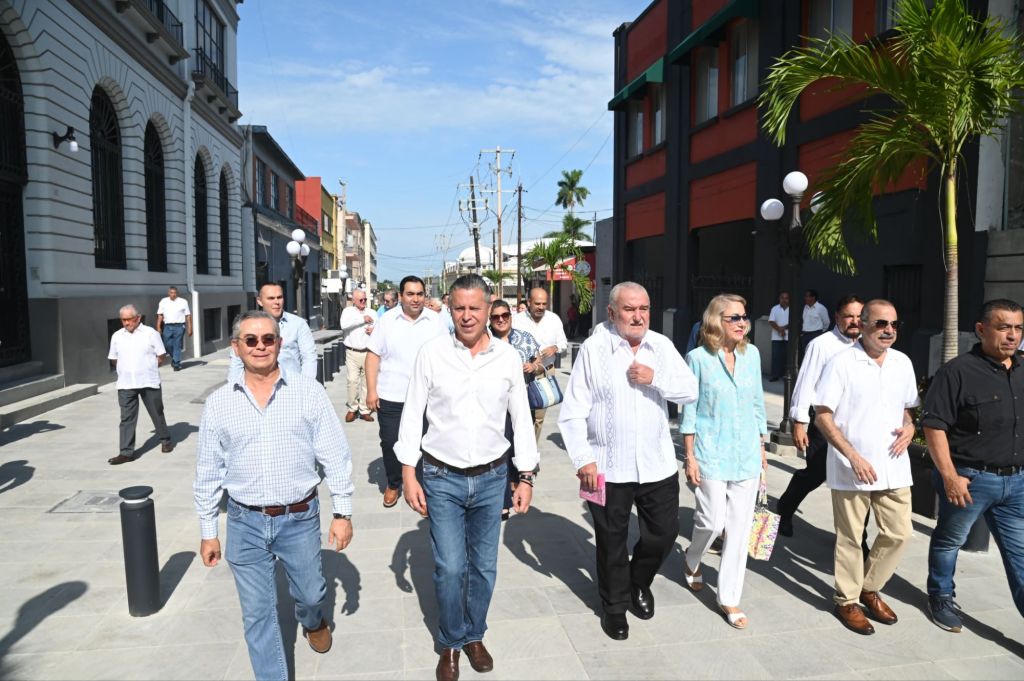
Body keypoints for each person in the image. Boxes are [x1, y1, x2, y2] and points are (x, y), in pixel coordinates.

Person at [194, 311, 354, 680]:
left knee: (311, 594)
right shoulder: (219, 403)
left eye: (268, 339)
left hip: (298, 517)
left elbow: (335, 455)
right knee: (258, 615)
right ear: (236, 348)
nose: (260, 346)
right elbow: (208, 471)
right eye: (250, 340)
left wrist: (342, 513)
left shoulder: (307, 392)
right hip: (244, 522)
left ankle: (312, 620)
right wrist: (208, 531)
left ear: (280, 344)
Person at [394, 274, 538, 681]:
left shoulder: (506, 358)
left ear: (489, 308)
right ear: (450, 308)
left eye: (475, 307)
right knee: (451, 568)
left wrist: (525, 475)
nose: (467, 316)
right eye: (459, 308)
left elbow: (521, 419)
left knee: (485, 567)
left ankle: (475, 635)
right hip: (442, 476)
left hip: (493, 478)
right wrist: (408, 472)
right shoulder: (432, 353)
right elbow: (413, 413)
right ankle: (451, 642)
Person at [559, 282, 698, 641]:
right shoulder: (593, 349)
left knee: (664, 534)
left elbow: (690, 390)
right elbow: (573, 411)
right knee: (611, 541)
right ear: (611, 312)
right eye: (629, 309)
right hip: (605, 466)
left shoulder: (661, 346)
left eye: (644, 309)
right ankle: (615, 607)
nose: (638, 316)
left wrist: (656, 379)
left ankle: (638, 581)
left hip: (657, 464)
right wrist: (583, 459)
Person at [814, 299, 918, 636]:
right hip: (852, 467)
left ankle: (869, 587)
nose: (889, 330)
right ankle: (846, 600)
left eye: (894, 324)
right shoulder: (842, 363)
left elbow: (907, 409)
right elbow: (823, 415)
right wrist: (852, 456)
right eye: (881, 324)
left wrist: (911, 426)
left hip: (894, 464)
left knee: (900, 533)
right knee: (850, 539)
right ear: (863, 325)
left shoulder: (902, 363)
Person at [921, 298, 1024, 631]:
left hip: (1016, 483)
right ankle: (940, 596)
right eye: (1004, 327)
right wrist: (950, 476)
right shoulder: (957, 372)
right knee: (949, 541)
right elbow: (934, 426)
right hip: (970, 480)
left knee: (1020, 556)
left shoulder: (1022, 369)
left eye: (1018, 328)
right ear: (982, 329)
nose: (1013, 335)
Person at [680, 294, 767, 630]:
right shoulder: (697, 358)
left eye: (744, 317)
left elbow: (757, 403)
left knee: (740, 530)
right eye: (734, 318)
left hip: (746, 454)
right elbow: (689, 411)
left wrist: (762, 449)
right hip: (710, 453)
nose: (742, 323)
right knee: (713, 521)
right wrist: (689, 456)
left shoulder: (752, 355)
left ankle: (729, 596)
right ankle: (692, 557)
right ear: (717, 321)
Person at [776, 295, 865, 537]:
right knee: (816, 473)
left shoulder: (868, 345)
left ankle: (858, 537)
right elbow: (806, 382)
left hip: (856, 425)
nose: (855, 321)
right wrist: (799, 422)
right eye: (849, 316)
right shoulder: (821, 345)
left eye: (859, 316)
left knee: (857, 479)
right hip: (825, 422)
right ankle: (785, 508)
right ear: (837, 317)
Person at [366, 275, 446, 508]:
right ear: (400, 296)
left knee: (426, 444)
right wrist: (371, 390)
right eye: (410, 294)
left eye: (420, 294)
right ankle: (394, 483)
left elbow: (446, 354)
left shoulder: (435, 320)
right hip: (392, 395)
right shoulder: (387, 320)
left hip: (427, 397)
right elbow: (373, 355)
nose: (415, 299)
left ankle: (422, 487)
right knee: (391, 443)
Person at [489, 299, 542, 520]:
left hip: (523, 401)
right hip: (496, 406)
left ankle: (517, 481)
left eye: (505, 316)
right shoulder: (485, 340)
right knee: (501, 450)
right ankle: (503, 499)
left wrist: (533, 366)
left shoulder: (524, 338)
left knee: (517, 446)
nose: (501, 320)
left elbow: (538, 359)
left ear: (510, 317)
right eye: (496, 317)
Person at [107, 305, 174, 465]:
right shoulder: (117, 336)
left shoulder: (151, 333)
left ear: (138, 318)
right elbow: (114, 358)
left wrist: (147, 367)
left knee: (156, 412)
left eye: (129, 319)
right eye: (123, 320)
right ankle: (126, 453)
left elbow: (161, 355)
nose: (126, 323)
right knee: (126, 418)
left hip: (148, 381)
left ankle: (165, 440)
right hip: (126, 383)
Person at [229, 283, 316, 382]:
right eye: (271, 298)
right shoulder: (247, 325)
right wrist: (234, 386)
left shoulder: (298, 324)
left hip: (291, 385)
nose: (277, 302)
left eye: (279, 297)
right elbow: (237, 361)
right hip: (256, 386)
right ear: (259, 301)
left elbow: (309, 357)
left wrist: (306, 385)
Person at [513, 287, 568, 440]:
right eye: (537, 303)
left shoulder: (554, 319)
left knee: (539, 415)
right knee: (521, 413)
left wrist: (555, 348)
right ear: (529, 302)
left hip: (545, 371)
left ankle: (532, 448)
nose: (541, 307)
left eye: (544, 304)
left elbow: (563, 342)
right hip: (523, 373)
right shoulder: (517, 320)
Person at [340, 290, 375, 423]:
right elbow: (343, 325)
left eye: (365, 299)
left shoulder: (372, 312)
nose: (363, 302)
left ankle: (364, 410)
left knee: (367, 381)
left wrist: (374, 330)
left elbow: (380, 328)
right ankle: (352, 408)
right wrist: (362, 320)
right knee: (352, 380)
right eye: (360, 300)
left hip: (368, 352)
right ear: (354, 300)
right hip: (352, 352)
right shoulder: (347, 312)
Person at [155, 286, 192, 371]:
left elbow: (188, 315)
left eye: (175, 293)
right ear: (168, 293)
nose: (173, 294)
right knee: (166, 344)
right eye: (171, 293)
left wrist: (190, 328)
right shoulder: (163, 301)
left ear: (177, 293)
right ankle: (175, 358)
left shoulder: (183, 302)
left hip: (180, 326)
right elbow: (160, 315)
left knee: (177, 344)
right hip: (167, 326)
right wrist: (158, 327)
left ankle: (176, 364)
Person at [800, 289, 830, 361]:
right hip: (805, 334)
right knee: (806, 355)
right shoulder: (805, 307)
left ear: (813, 298)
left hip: (816, 334)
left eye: (807, 296)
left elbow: (826, 322)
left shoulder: (821, 308)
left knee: (816, 355)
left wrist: (820, 332)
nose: (805, 298)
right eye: (805, 296)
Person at [768, 292, 790, 381]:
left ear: (789, 299)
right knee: (776, 356)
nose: (784, 300)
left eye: (786, 298)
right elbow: (771, 321)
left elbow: (794, 321)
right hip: (776, 337)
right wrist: (780, 330)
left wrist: (783, 329)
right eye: (782, 298)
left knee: (787, 356)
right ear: (779, 299)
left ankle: (787, 375)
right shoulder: (775, 308)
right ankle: (775, 375)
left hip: (789, 337)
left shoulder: (792, 309)